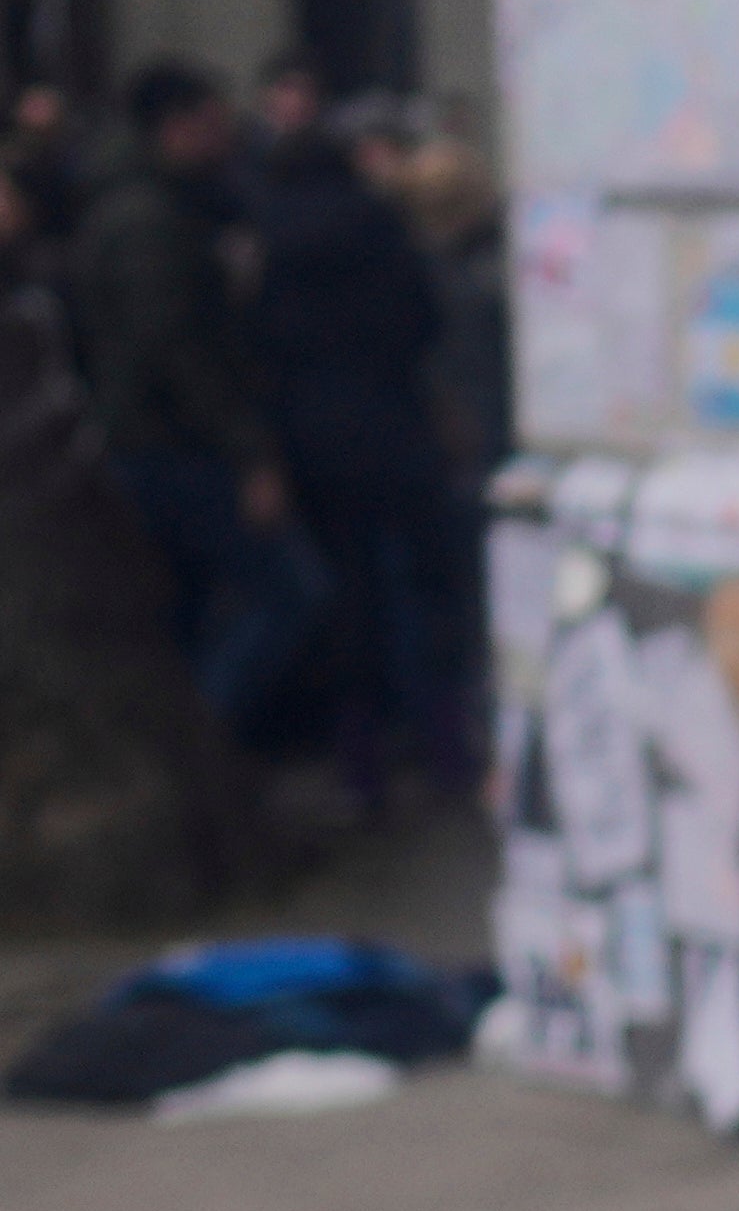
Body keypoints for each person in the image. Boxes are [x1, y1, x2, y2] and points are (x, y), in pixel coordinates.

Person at [66, 63, 339, 755]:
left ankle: (185, 758)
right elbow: (179, 349)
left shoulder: (142, 206)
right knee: (288, 591)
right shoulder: (151, 219)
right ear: (177, 127)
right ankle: (198, 748)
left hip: (152, 439)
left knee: (185, 613)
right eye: (213, 124)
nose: (227, 138)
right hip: (176, 445)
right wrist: (250, 454)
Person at [239, 79, 476, 794]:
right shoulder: (384, 230)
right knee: (423, 593)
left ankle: (361, 765)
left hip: (314, 440)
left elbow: (260, 350)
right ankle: (445, 751)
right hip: (396, 427)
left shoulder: (269, 248)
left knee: (350, 603)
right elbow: (423, 325)